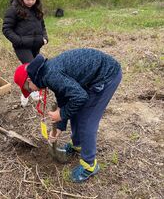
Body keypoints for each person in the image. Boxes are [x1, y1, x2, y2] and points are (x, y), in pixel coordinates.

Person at [13, 48, 122, 182]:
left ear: (29, 79)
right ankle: (77, 145)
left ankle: (89, 166)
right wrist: (59, 126)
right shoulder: (45, 72)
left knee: (86, 121)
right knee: (76, 112)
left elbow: (80, 97)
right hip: (91, 77)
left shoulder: (50, 75)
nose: (31, 91)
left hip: (106, 76)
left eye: (28, 88)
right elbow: (64, 96)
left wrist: (62, 114)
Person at [2, 0, 48, 107]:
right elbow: (6, 29)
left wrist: (45, 38)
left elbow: (42, 26)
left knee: (36, 67)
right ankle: (31, 92)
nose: (30, 1)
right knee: (31, 68)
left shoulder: (37, 9)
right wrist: (19, 41)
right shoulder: (13, 10)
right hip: (22, 46)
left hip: (36, 45)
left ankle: (27, 91)